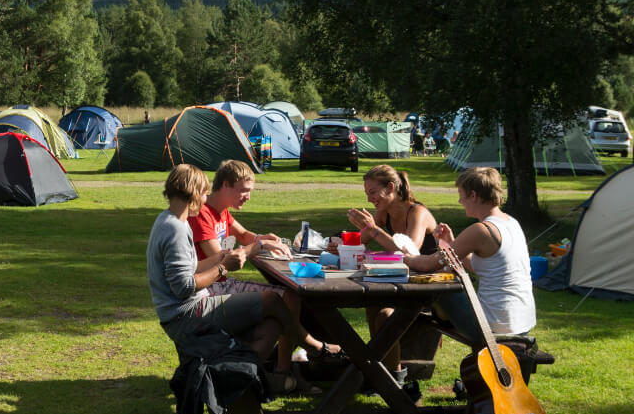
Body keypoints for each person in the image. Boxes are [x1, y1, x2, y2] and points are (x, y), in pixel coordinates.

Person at [146, 164, 315, 395]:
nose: (206, 199)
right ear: (193, 193)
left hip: (191, 308)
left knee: (272, 326)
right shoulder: (175, 228)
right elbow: (183, 287)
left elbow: (190, 267)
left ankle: (234, 377)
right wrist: (223, 266)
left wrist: (219, 259)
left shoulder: (172, 220)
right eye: (204, 193)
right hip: (186, 314)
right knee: (273, 300)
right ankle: (312, 346)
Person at [190, 159, 341, 372]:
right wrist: (260, 245)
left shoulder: (220, 209)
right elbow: (221, 259)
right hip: (210, 289)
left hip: (221, 284)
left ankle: (287, 366)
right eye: (243, 190)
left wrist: (264, 238)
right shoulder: (203, 214)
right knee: (289, 297)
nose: (248, 196)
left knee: (290, 296)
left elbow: (242, 235)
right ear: (225, 185)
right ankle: (289, 366)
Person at [405, 167, 536, 343]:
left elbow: (428, 264)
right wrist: (451, 244)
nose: (460, 201)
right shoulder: (511, 222)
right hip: (520, 323)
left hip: (492, 327)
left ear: (473, 196)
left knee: (441, 285)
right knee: (444, 284)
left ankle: (402, 340)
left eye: (461, 195)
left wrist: (402, 256)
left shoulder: (481, 230)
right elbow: (479, 267)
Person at [344, 164, 439, 378]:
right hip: (404, 282)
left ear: (390, 187)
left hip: (431, 287)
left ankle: (393, 376)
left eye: (373, 192)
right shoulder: (384, 213)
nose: (370, 199)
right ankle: (377, 366)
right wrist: (342, 243)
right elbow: (362, 239)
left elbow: (411, 253)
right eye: (367, 193)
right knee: (373, 303)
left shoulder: (417, 212)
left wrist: (375, 230)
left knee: (386, 315)